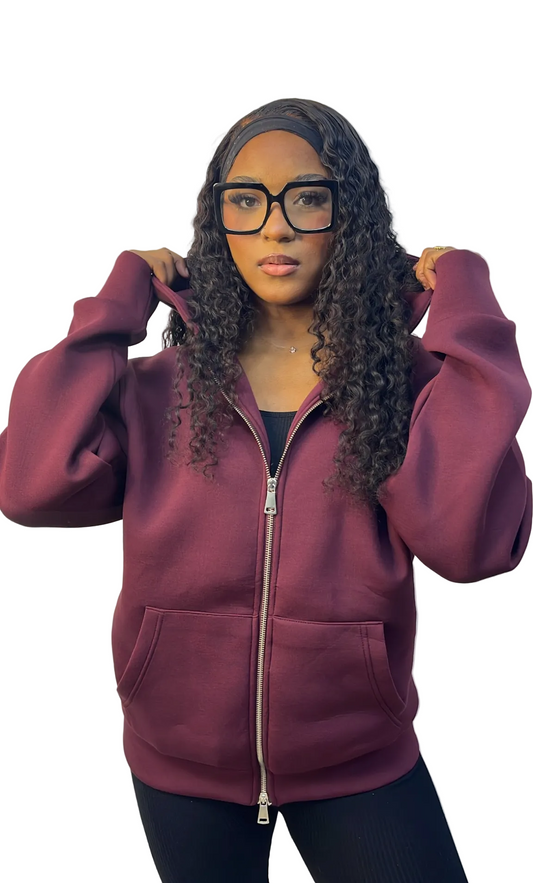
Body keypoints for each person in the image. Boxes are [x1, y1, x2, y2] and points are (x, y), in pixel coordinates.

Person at [0, 97, 531, 882]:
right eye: (245, 201)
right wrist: (116, 305)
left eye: (306, 198)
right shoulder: (158, 389)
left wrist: (464, 296)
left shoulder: (405, 387)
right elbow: (29, 485)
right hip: (179, 762)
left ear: (347, 218)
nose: (274, 227)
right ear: (218, 221)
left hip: (357, 758)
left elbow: (470, 546)